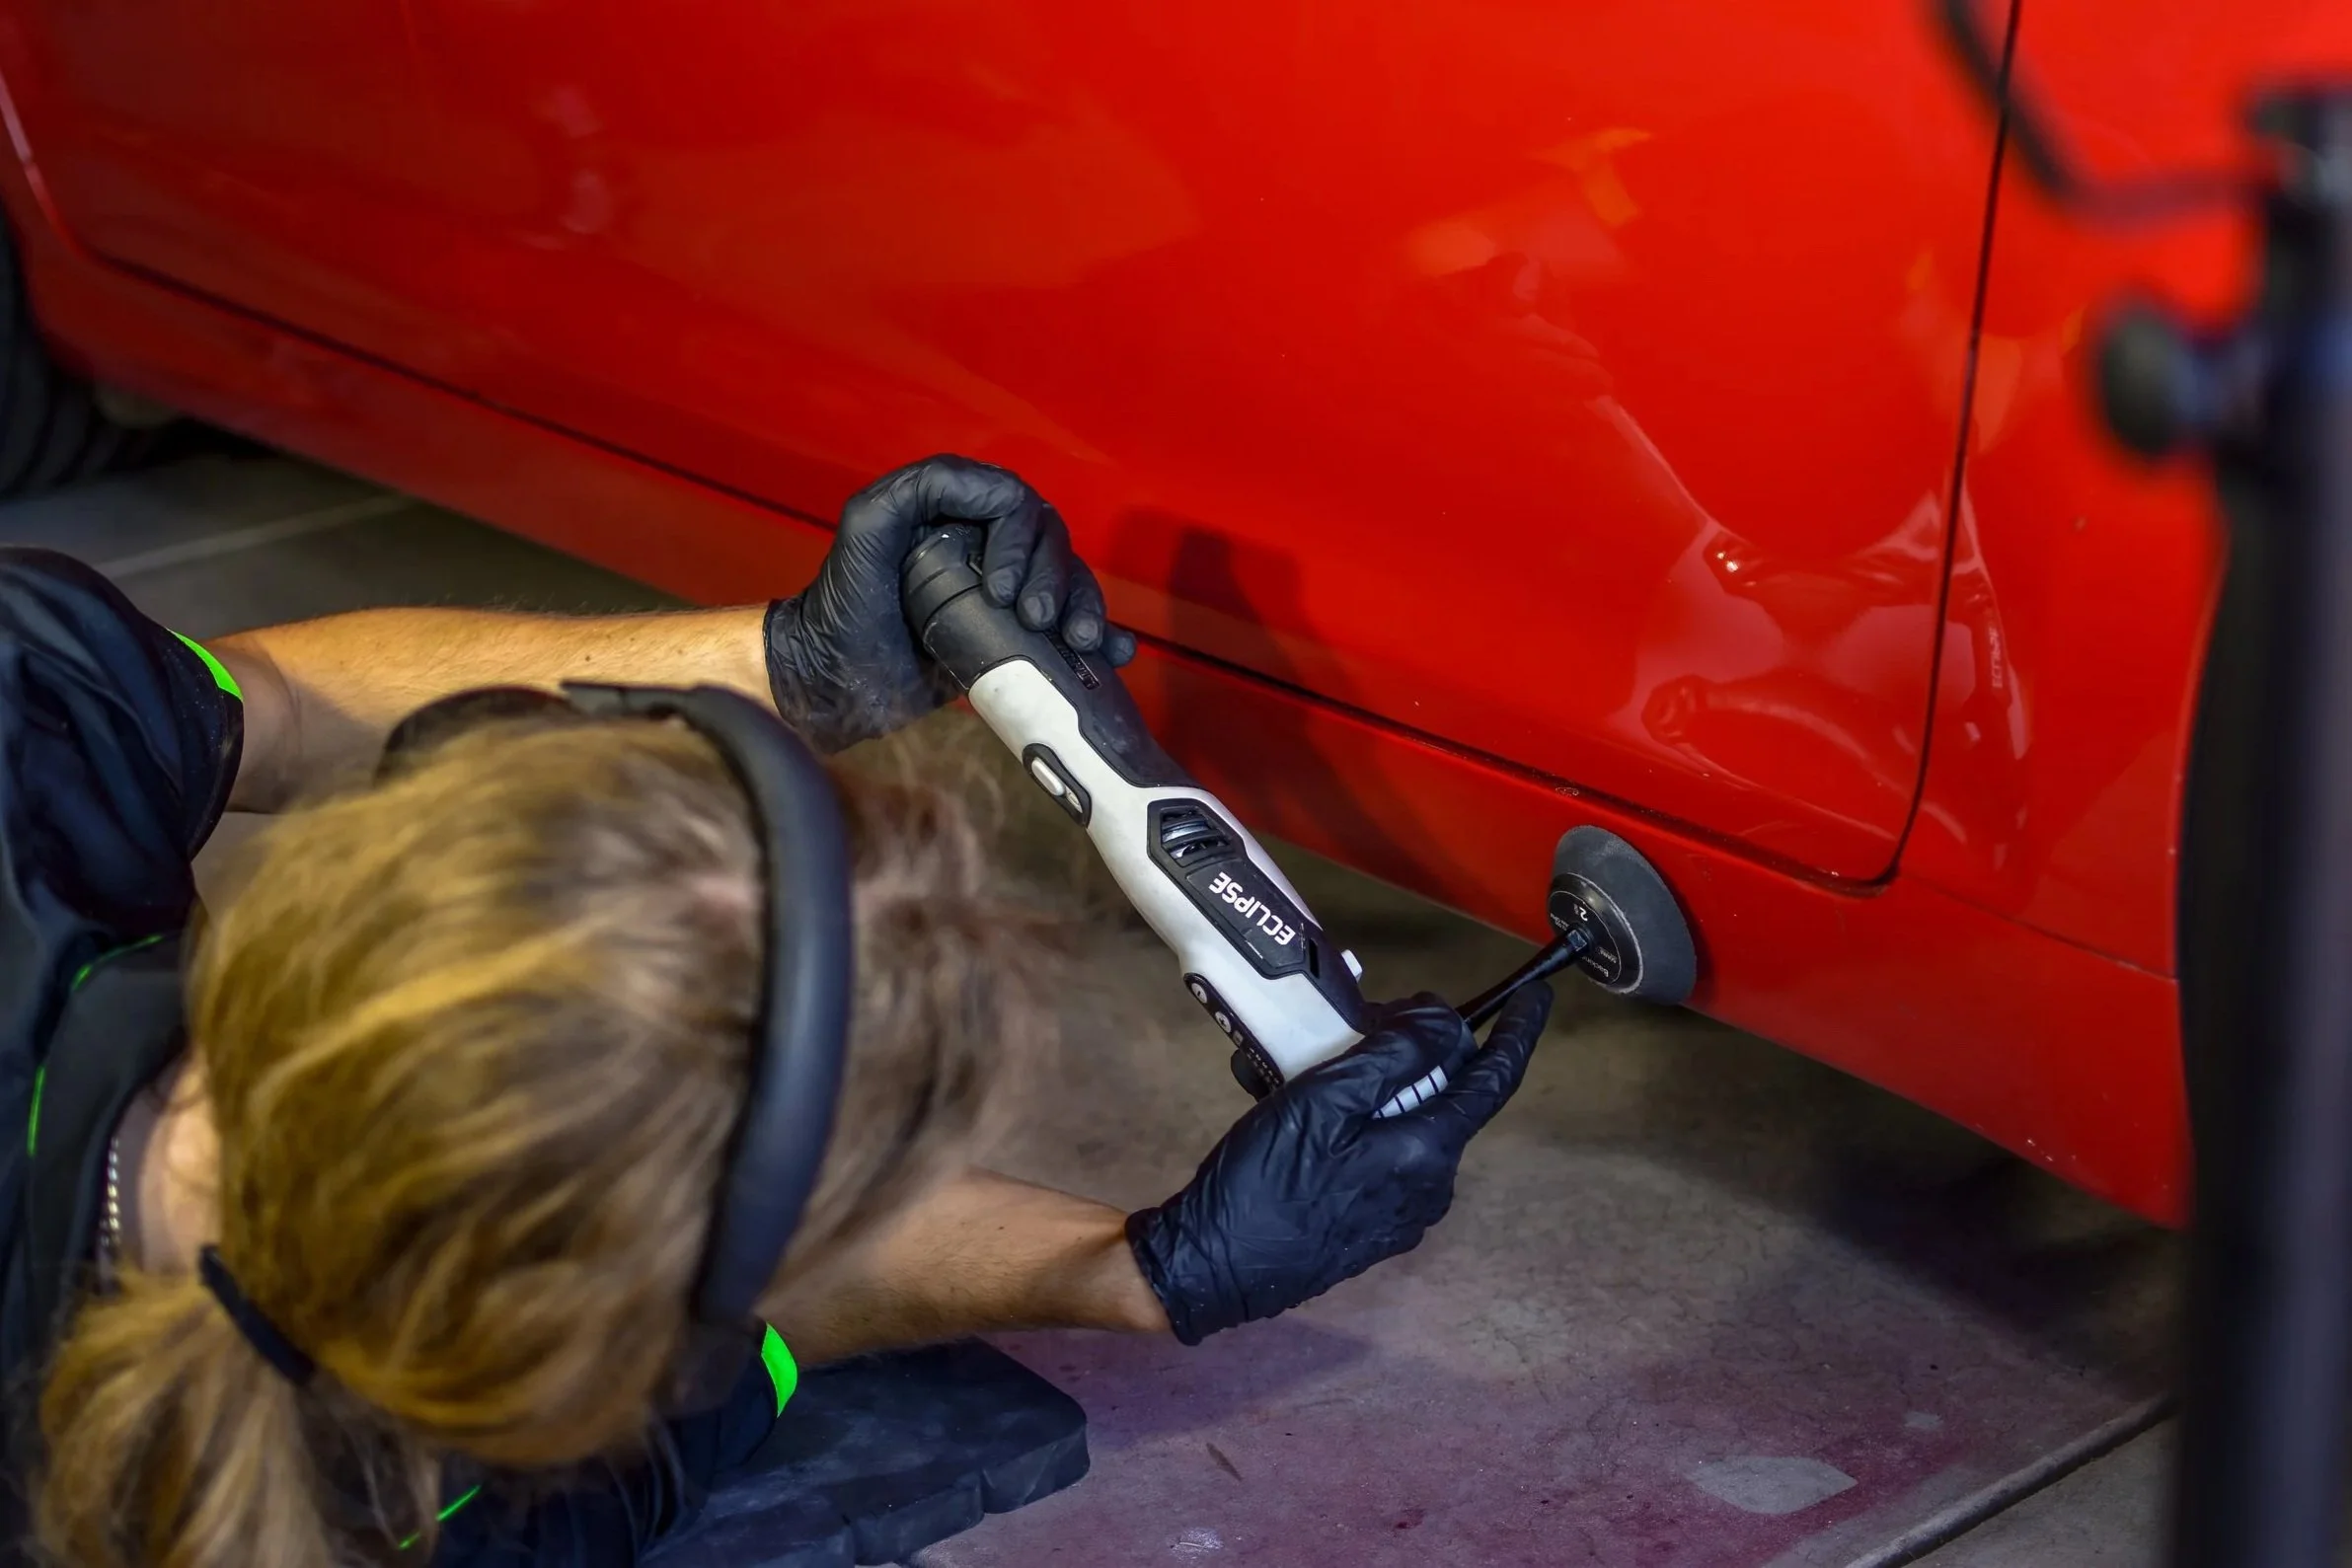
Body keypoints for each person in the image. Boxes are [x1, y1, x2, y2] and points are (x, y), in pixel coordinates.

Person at [0, 455, 1553, 1567]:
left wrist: (791, 663)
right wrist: (1140, 1275)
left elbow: (258, 704)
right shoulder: (500, 1508)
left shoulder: (21, 716)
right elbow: (723, 1311)